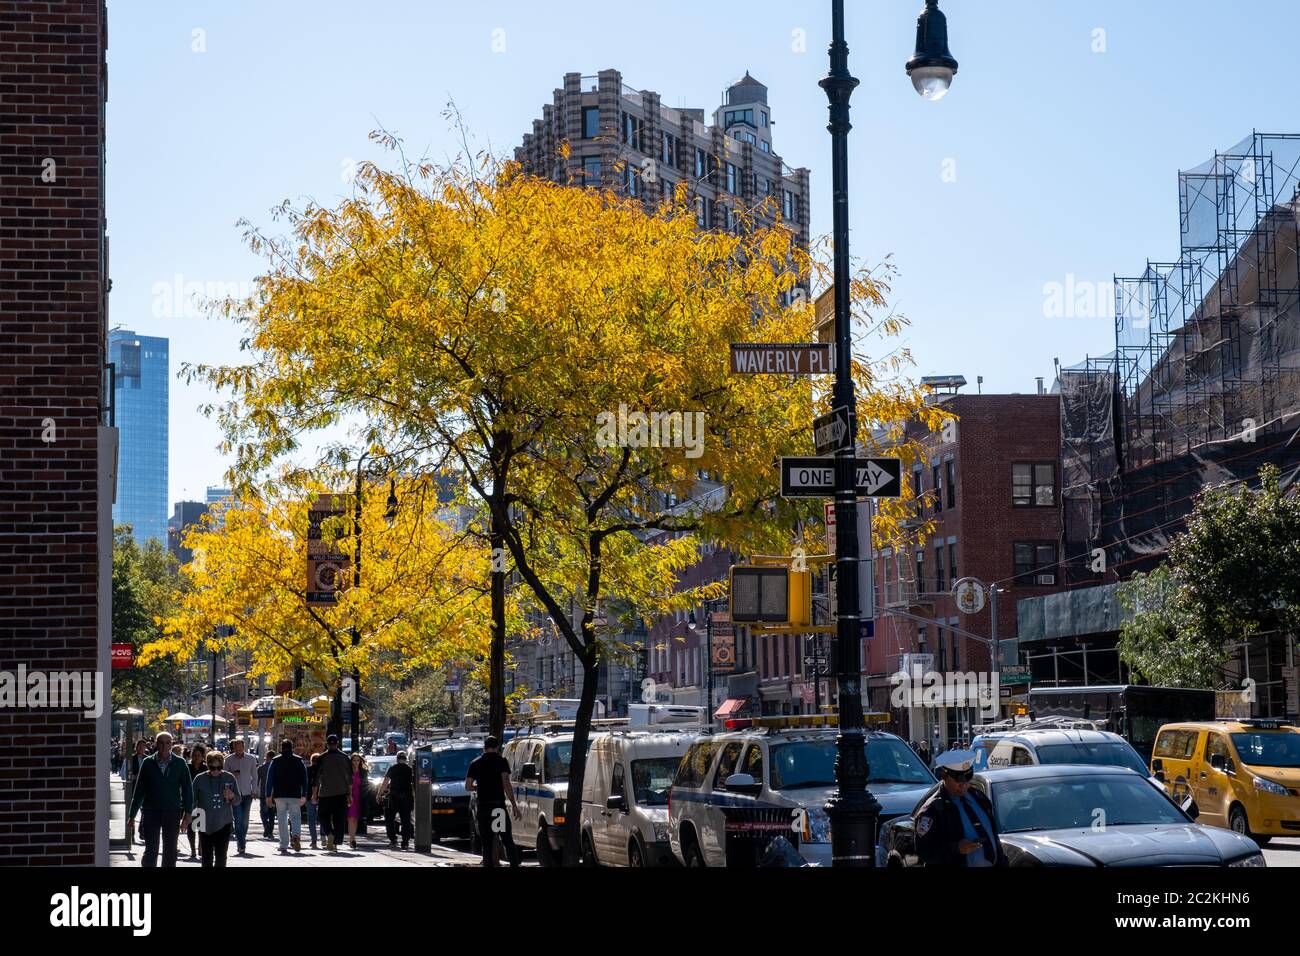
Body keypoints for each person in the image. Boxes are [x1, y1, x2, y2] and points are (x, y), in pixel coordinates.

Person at [914, 750, 1006, 867]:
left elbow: (994, 838)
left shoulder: (979, 798)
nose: (964, 785)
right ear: (944, 776)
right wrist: (956, 849)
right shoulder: (932, 810)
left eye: (967, 779)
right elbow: (924, 852)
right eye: (958, 781)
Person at [126, 731, 194, 868]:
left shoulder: (180, 763)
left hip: (172, 811)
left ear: (172, 744)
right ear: (156, 744)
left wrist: (188, 813)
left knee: (170, 851)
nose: (164, 746)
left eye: (167, 743)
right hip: (151, 812)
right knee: (151, 850)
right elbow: (139, 790)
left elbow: (188, 789)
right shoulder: (148, 762)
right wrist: (132, 815)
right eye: (161, 743)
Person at [465, 736, 521, 867]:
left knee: (487, 843)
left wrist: (479, 787)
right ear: (497, 748)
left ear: (484, 748)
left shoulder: (475, 763)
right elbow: (506, 783)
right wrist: (513, 804)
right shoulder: (501, 762)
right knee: (507, 840)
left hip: (483, 807)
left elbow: (468, 786)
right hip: (497, 808)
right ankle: (514, 864)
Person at [192, 750, 239, 867]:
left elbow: (238, 800)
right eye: (213, 768)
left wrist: (232, 796)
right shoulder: (199, 779)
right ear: (208, 765)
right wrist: (190, 818)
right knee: (206, 857)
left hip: (224, 821)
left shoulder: (229, 777)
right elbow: (192, 801)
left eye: (219, 767)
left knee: (221, 855)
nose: (216, 771)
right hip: (203, 821)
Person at [266, 738, 309, 853]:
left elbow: (269, 779)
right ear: (292, 748)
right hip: (295, 794)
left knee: (282, 819)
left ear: (281, 748)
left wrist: (268, 795)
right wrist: (304, 794)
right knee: (295, 817)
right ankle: (295, 835)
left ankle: (284, 844)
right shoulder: (299, 761)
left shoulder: (275, 761)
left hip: (279, 795)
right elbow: (304, 779)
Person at [313, 734, 352, 853]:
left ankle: (329, 832)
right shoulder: (345, 757)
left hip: (325, 793)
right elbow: (349, 778)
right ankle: (335, 843)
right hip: (341, 793)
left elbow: (316, 777)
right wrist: (349, 794)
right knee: (339, 819)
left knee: (322, 816)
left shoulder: (321, 758)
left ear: (327, 744)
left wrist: (314, 794)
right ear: (337, 743)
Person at [224, 737, 258, 855]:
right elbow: (225, 777)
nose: (238, 749)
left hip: (247, 793)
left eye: (240, 747)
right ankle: (241, 844)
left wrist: (254, 790)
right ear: (233, 748)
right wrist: (233, 774)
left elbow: (254, 776)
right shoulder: (228, 760)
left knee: (245, 821)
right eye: (236, 747)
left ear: (244, 747)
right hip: (235, 795)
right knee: (238, 820)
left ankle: (241, 841)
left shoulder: (251, 758)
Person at [377, 751, 414, 849]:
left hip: (394, 797)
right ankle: (405, 842)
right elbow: (414, 785)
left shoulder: (393, 768)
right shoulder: (410, 770)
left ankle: (393, 839)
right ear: (405, 759)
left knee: (389, 819)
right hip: (406, 798)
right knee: (406, 820)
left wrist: (379, 795)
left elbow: (385, 782)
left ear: (397, 759)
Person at [185, 743, 208, 861]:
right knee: (190, 826)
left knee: (201, 826)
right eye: (195, 755)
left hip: (202, 800)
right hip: (189, 799)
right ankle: (193, 849)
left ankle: (200, 847)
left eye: (199, 755)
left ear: (203, 756)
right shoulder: (187, 766)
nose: (196, 757)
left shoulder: (206, 768)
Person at [345, 752, 368, 850]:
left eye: (358, 760)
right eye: (354, 760)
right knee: (350, 818)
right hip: (350, 797)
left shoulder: (363, 772)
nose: (356, 762)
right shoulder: (347, 771)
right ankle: (351, 839)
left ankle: (352, 838)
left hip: (359, 797)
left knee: (355, 818)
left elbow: (366, 785)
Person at [256, 748, 276, 839]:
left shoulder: (261, 768)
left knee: (263, 812)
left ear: (267, 757)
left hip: (264, 793)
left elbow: (257, 781)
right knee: (272, 814)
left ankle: (266, 826)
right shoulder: (276, 768)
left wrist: (255, 792)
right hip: (274, 794)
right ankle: (270, 831)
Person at [305, 753, 321, 849]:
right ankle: (323, 837)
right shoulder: (323, 770)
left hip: (309, 796)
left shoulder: (307, 770)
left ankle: (314, 840)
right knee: (323, 818)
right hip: (322, 795)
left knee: (311, 820)